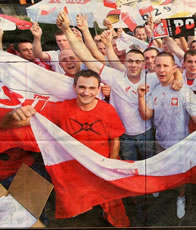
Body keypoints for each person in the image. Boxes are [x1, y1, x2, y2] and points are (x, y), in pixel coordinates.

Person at [0, 69, 130, 227]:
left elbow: (115, 138)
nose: (86, 92)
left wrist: (111, 162)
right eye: (82, 87)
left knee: (112, 200)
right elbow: (18, 123)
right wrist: (12, 116)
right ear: (75, 88)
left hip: (100, 165)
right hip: (74, 168)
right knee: (77, 199)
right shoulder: (60, 108)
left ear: (98, 89)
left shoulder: (108, 110)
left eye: (91, 88)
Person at [55, 11, 182, 162]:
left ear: (144, 64)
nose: (133, 65)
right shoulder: (114, 77)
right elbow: (86, 56)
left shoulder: (152, 78)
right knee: (128, 169)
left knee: (150, 170)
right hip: (124, 135)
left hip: (147, 134)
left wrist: (178, 79)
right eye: (130, 61)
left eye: (138, 61)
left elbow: (176, 70)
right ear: (125, 62)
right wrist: (67, 30)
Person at [137, 51, 196, 219]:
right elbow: (146, 115)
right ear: (153, 68)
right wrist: (141, 97)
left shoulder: (183, 90)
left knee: (180, 175)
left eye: (165, 66)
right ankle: (158, 188)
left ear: (174, 68)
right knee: (160, 168)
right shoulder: (153, 90)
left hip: (181, 143)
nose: (161, 70)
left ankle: (180, 198)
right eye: (158, 66)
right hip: (161, 141)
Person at [182, 50, 196, 133]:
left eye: (195, 62)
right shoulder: (175, 79)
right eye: (190, 61)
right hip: (180, 130)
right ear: (184, 63)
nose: (193, 65)